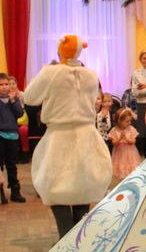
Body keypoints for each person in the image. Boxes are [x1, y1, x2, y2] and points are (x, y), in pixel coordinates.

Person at [23, 35, 112, 239]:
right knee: (83, 185)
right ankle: (79, 239)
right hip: (86, 134)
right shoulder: (91, 74)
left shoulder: (51, 72)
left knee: (55, 186)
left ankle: (66, 237)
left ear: (60, 50)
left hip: (59, 136)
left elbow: (29, 97)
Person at [0, 72, 26, 203]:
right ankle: (0, 192)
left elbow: (20, 113)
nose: (4, 87)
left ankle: (15, 191)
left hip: (13, 136)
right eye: (1, 84)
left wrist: (13, 100)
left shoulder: (14, 99)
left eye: (6, 84)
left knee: (12, 165)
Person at [109, 108, 142, 180]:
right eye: (127, 121)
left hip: (130, 152)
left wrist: (126, 139)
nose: (129, 123)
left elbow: (133, 141)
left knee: (131, 170)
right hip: (119, 153)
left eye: (130, 121)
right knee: (121, 171)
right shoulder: (114, 130)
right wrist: (120, 138)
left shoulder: (131, 129)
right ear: (119, 121)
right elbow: (114, 143)